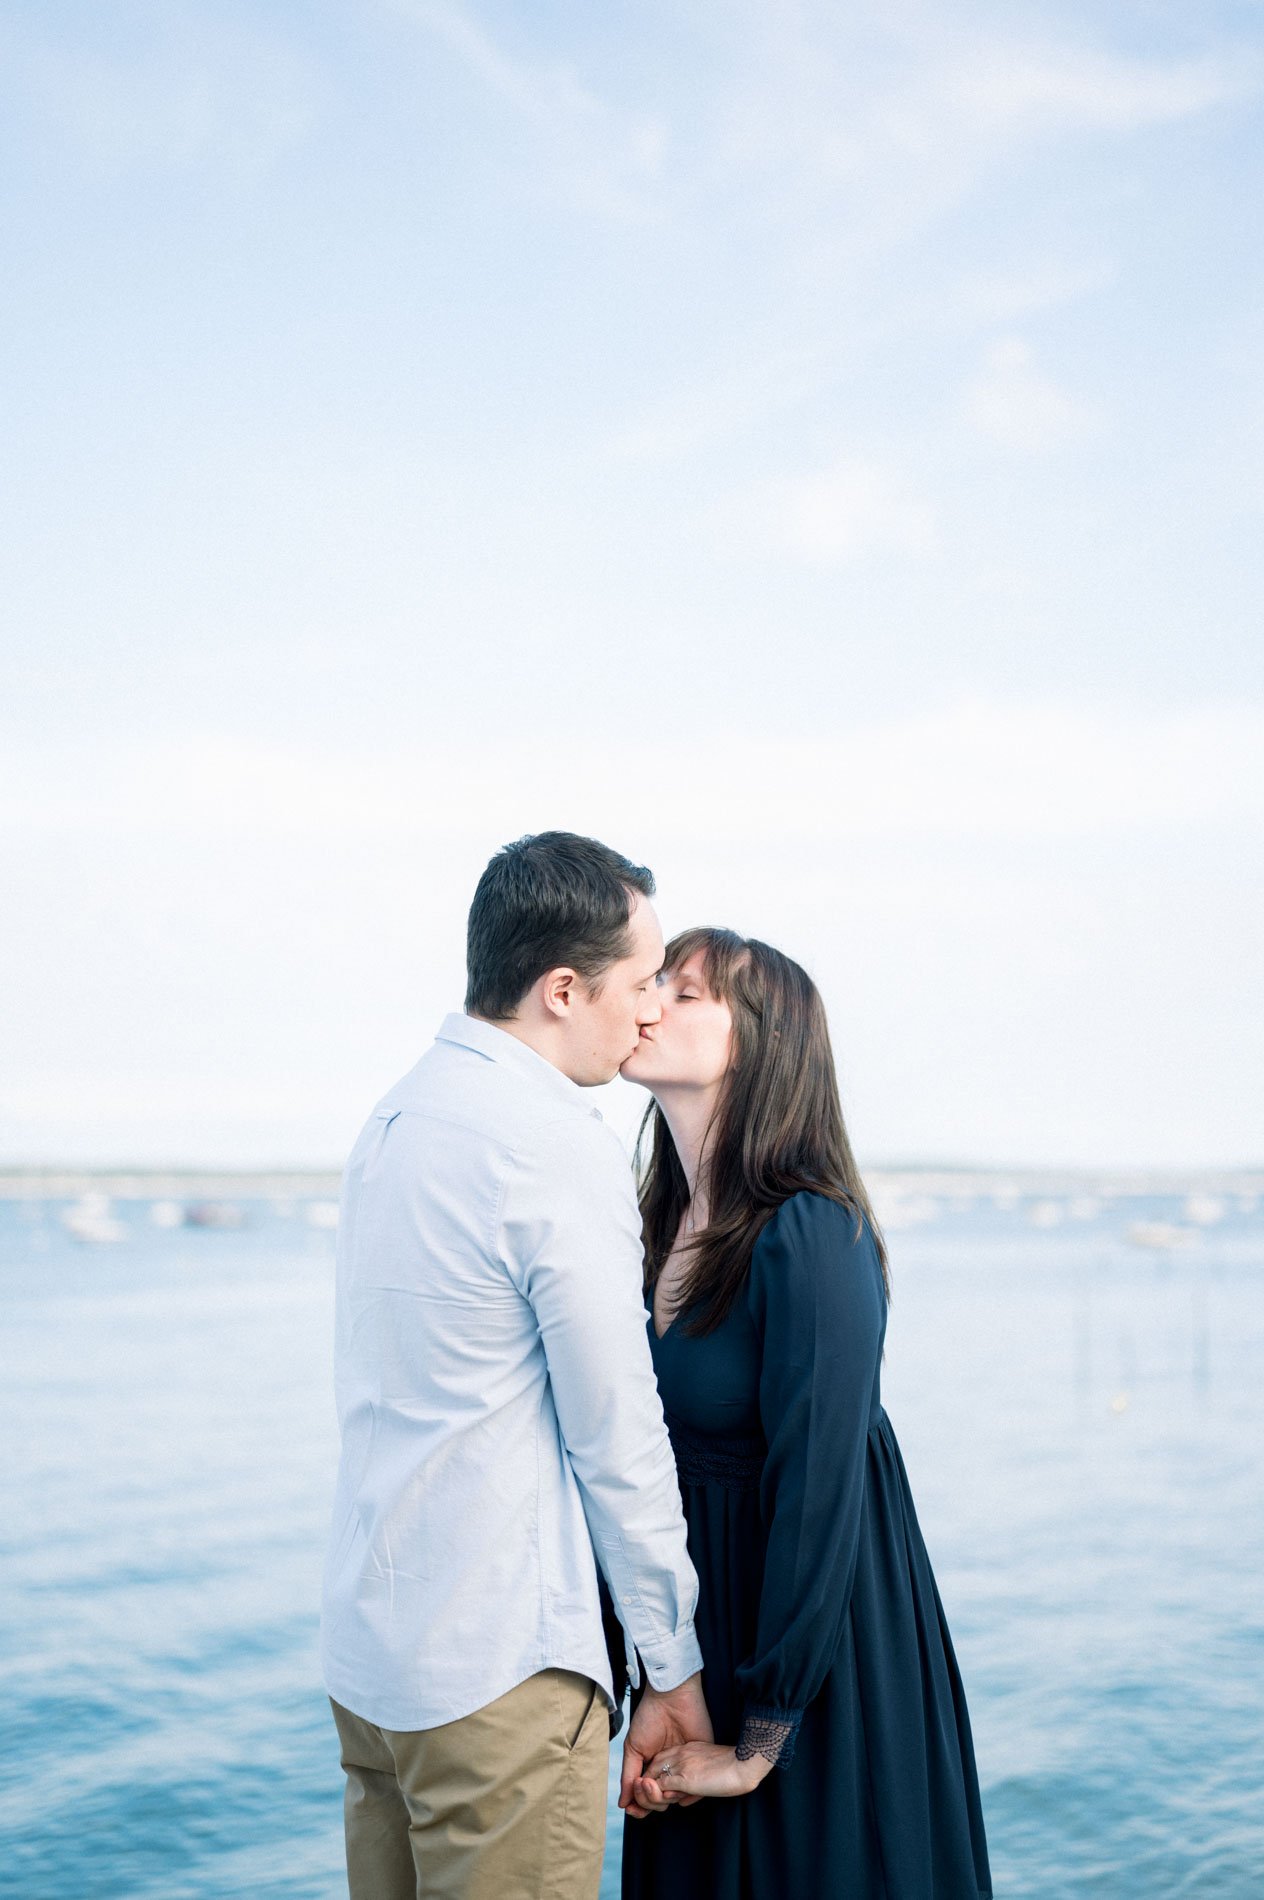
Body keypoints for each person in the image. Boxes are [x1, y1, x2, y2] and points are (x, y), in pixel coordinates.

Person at [320, 833, 712, 1900]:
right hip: (498, 1672)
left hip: (374, 1662)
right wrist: (671, 1660)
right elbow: (614, 1427)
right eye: (639, 983)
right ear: (559, 988)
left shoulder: (393, 1118)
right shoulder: (544, 1137)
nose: (649, 1011)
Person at [617, 928, 992, 1899]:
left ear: (762, 1042)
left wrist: (759, 1739)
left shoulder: (811, 1232)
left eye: (684, 990)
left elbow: (820, 1489)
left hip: (811, 1660)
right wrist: (652, 1673)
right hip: (705, 1649)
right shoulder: (653, 1226)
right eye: (653, 981)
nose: (648, 1000)